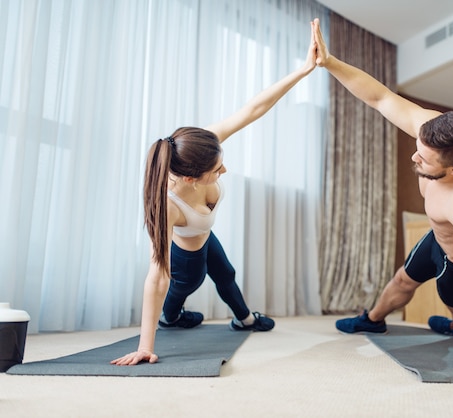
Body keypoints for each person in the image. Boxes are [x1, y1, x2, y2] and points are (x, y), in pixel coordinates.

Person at [311, 18, 453, 381]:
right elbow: (379, 97)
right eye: (418, 148)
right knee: (402, 281)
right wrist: (330, 61)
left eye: (424, 159)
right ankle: (372, 321)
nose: (415, 157)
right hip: (435, 238)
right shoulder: (433, 131)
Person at [111, 27, 318, 366]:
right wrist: (145, 345)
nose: (224, 172)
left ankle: (245, 319)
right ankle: (171, 317)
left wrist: (303, 70)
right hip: (184, 254)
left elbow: (253, 109)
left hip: (204, 236)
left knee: (226, 273)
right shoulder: (168, 207)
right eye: (217, 170)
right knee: (183, 286)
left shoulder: (199, 146)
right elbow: (156, 277)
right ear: (191, 178)